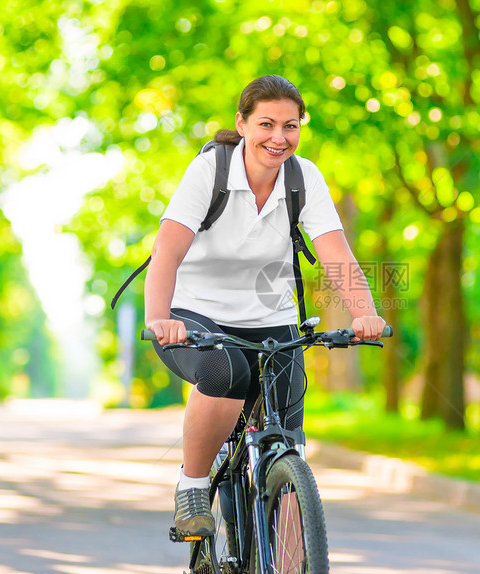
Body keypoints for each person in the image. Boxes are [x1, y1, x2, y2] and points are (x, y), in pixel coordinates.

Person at [144, 75, 386, 536]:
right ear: (242, 123)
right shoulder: (210, 170)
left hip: (272, 322)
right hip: (196, 317)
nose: (279, 138)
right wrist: (161, 318)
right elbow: (168, 250)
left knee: (287, 448)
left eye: (291, 126)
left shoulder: (303, 177)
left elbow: (336, 253)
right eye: (267, 124)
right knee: (225, 372)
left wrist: (364, 313)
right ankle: (192, 484)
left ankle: (294, 553)